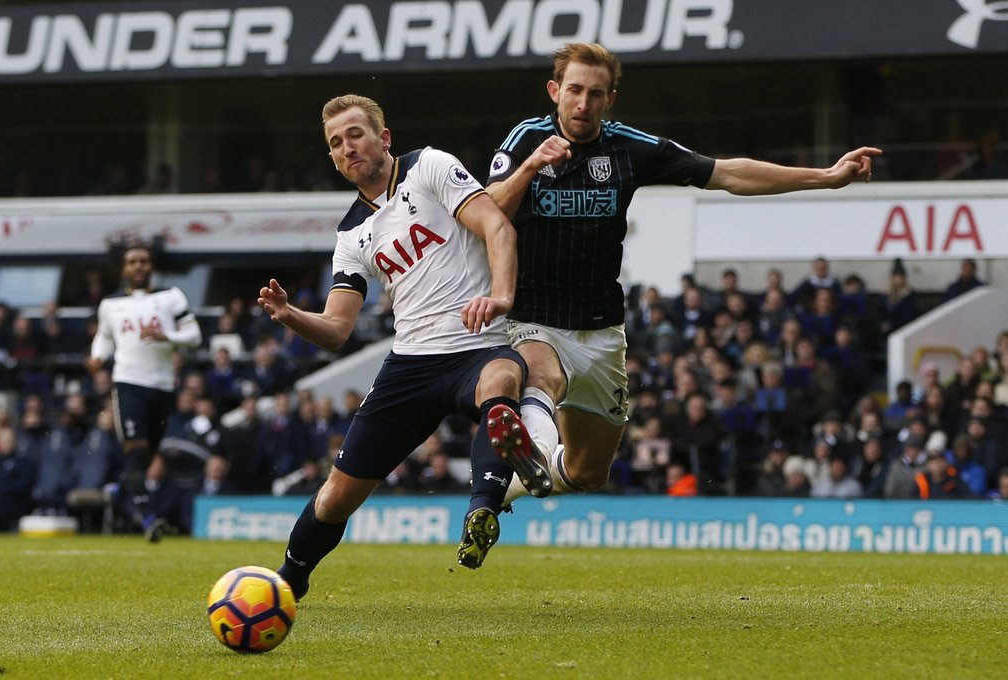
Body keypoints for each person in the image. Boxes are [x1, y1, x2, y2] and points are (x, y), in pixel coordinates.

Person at [485, 42, 881, 506]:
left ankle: (504, 488)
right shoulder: (526, 140)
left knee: (588, 471)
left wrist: (826, 176)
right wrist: (532, 167)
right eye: (574, 90)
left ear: (610, 98)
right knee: (541, 377)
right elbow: (489, 212)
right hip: (536, 317)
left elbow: (729, 174)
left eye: (595, 93)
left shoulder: (630, 148)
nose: (582, 103)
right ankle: (524, 449)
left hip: (601, 330)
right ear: (554, 91)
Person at [259, 94, 553, 600]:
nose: (347, 148)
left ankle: (482, 507)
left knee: (503, 379)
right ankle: (288, 580)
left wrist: (501, 295)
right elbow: (335, 329)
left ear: (384, 137)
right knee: (335, 498)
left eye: (355, 134)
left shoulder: (429, 167)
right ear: (331, 160)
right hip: (411, 365)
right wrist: (291, 316)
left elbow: (496, 224)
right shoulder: (351, 233)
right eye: (335, 144)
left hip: (475, 342)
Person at [87, 242, 203, 541]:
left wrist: (168, 336)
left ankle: (119, 490)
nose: (137, 266)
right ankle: (148, 518)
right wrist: (97, 356)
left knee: (146, 457)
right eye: (132, 262)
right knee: (135, 450)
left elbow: (194, 336)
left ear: (151, 266)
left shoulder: (170, 297)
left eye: (143, 261)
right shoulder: (110, 304)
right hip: (128, 383)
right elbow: (104, 337)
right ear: (124, 268)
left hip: (162, 386)